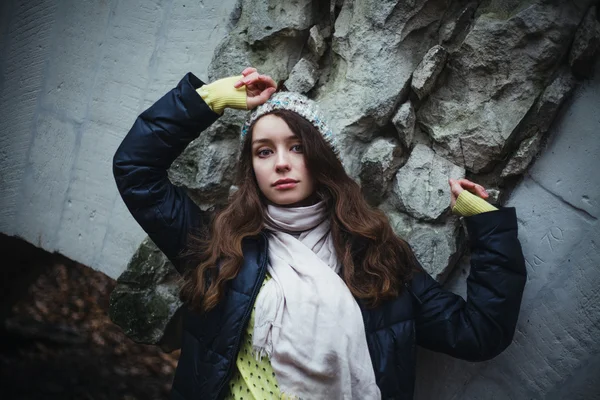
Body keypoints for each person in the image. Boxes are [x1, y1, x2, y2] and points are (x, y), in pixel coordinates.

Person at [113, 67, 527, 400]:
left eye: (296, 147)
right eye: (264, 151)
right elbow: (136, 170)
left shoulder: (375, 257)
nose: (280, 163)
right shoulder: (218, 245)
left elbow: (479, 332)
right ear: (252, 167)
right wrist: (213, 99)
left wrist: (486, 224)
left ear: (320, 157)